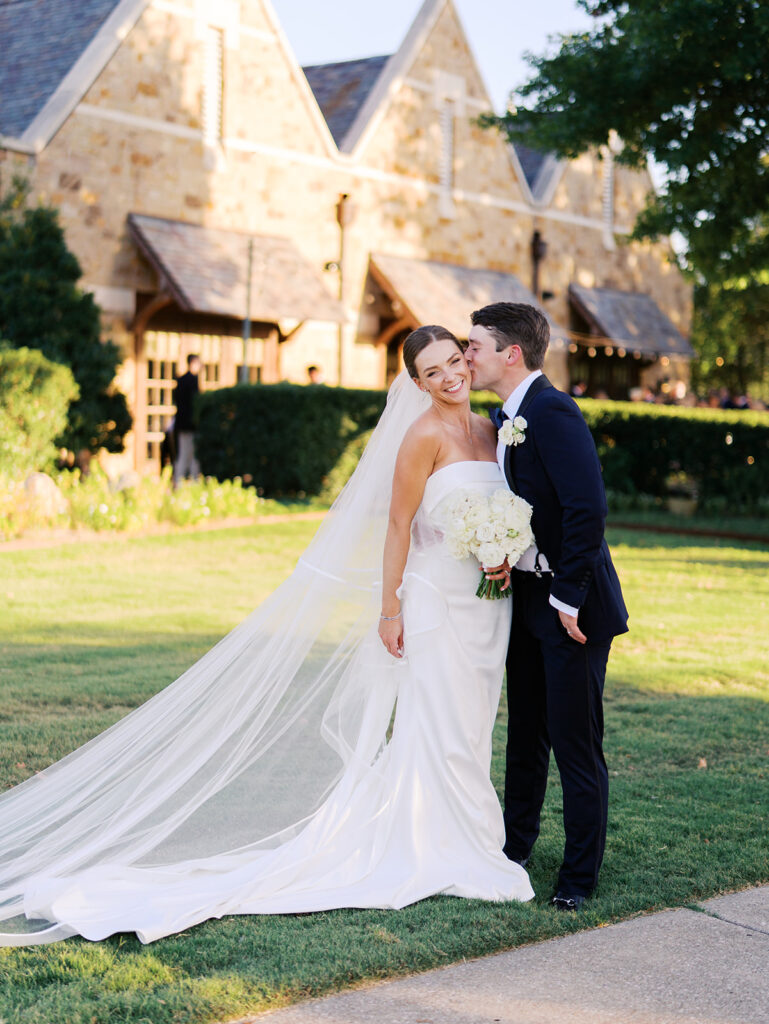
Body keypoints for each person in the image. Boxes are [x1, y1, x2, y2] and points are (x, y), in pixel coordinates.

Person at [0, 326, 532, 948]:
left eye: (453, 362)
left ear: (468, 361)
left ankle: (457, 836)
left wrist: (501, 553)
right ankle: (456, 849)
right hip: (436, 604)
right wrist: (390, 611)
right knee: (439, 727)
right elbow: (397, 526)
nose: (449, 377)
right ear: (416, 383)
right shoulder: (422, 436)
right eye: (432, 371)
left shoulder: (492, 432)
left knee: (471, 726)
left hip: (488, 607)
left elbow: (502, 509)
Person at [465, 303, 628, 912]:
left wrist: (567, 598)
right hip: (527, 600)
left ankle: (579, 879)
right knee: (527, 735)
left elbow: (588, 510)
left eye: (475, 344)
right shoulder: (505, 416)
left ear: (512, 354)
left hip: (572, 606)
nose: (467, 354)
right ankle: (514, 850)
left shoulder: (552, 411)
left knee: (574, 742)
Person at [173, 354, 201, 484]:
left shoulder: (181, 380)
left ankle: (179, 481)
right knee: (190, 455)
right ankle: (192, 481)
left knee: (184, 454)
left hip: (181, 423)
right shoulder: (192, 380)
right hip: (189, 424)